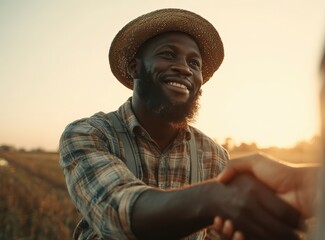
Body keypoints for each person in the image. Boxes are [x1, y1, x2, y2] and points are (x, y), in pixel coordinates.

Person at [59, 8, 302, 240]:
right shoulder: (90, 134)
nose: (184, 68)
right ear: (135, 67)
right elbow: (115, 210)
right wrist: (213, 198)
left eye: (194, 63)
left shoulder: (214, 156)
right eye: (168, 54)